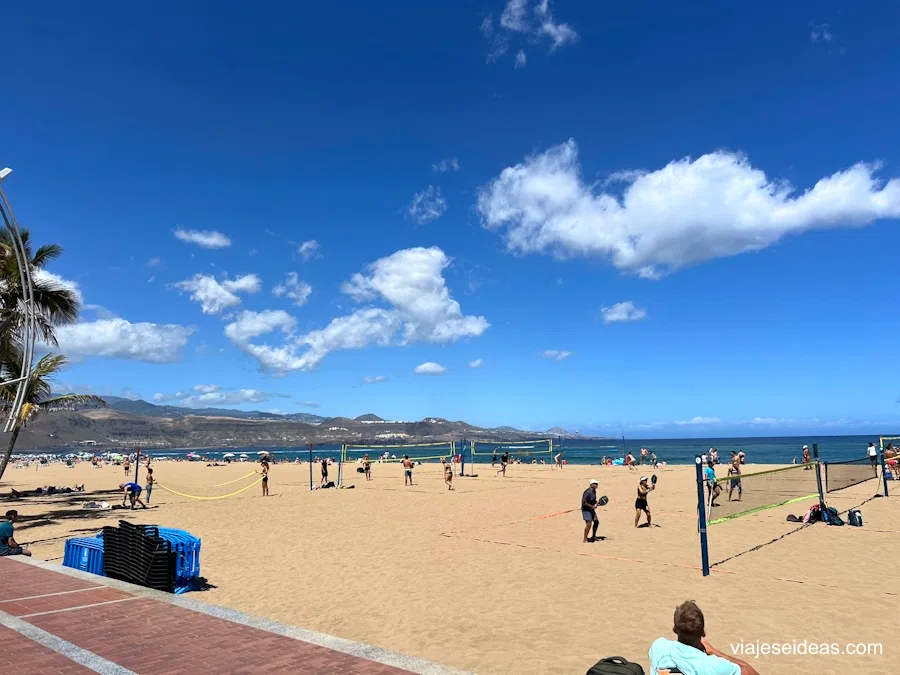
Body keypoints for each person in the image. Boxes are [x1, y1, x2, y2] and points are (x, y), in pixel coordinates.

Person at [649, 600, 759, 675]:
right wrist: (714, 651)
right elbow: (750, 672)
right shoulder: (712, 665)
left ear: (674, 629)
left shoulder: (658, 647)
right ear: (703, 633)